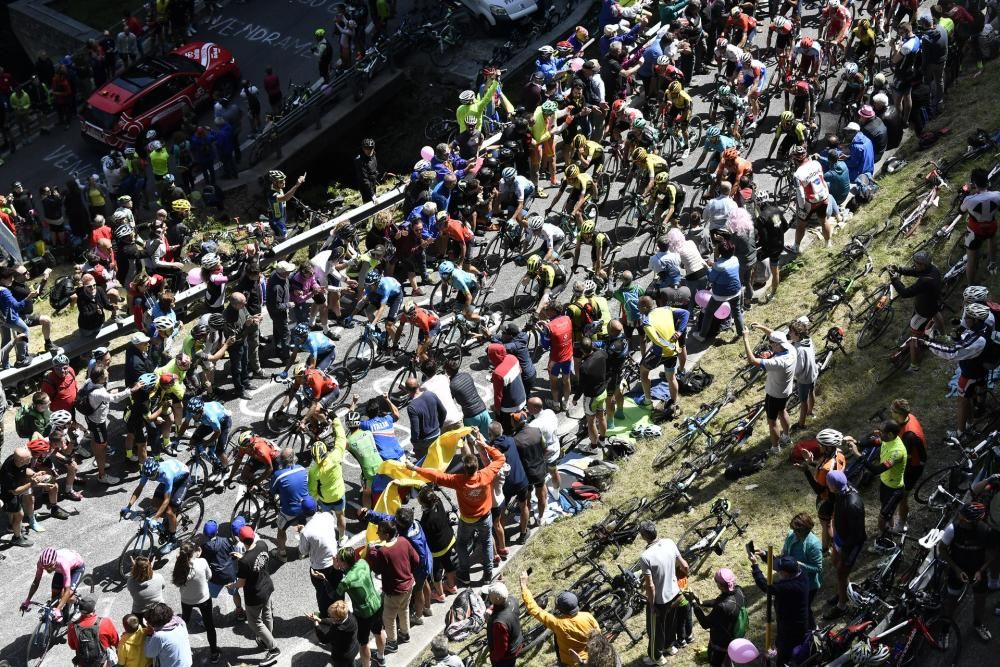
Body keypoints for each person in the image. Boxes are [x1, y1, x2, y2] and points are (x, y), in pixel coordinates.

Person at [407, 429, 506, 585]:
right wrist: (484, 445)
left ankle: (465, 575)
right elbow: (500, 458)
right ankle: (487, 575)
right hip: (485, 516)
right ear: (476, 466)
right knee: (487, 542)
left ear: (464, 468)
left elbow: (436, 475)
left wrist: (415, 468)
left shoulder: (457, 480)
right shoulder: (486, 475)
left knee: (461, 545)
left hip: (467, 519)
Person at [940, 501, 997, 641]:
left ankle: (978, 624)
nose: (961, 521)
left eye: (966, 520)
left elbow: (992, 554)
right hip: (957, 571)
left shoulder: (987, 532)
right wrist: (956, 569)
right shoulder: (952, 529)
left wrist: (981, 571)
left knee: (980, 600)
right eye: (962, 517)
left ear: (978, 520)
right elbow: (942, 549)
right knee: (951, 601)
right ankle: (945, 630)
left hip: (977, 572)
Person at [520, 570, 600, 666]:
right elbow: (598, 633)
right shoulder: (588, 616)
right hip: (588, 660)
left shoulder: (558, 624)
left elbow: (534, 609)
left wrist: (524, 586)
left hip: (569, 662)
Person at [637, 520, 688, 665]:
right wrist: (683, 581)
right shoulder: (669, 542)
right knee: (670, 623)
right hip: (676, 594)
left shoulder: (645, 557)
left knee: (655, 631)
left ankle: (656, 657)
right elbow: (684, 565)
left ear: (643, 536)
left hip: (660, 601)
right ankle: (669, 647)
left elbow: (650, 586)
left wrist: (652, 605)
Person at [849, 419, 906, 546]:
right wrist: (857, 442)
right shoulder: (888, 439)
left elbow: (876, 470)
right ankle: (889, 530)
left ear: (890, 434)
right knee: (886, 513)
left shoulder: (897, 453)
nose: (878, 433)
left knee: (881, 519)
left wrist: (858, 455)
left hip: (894, 490)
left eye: (882, 432)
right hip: (885, 484)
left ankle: (884, 540)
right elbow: (874, 442)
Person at [366, 519, 420, 654]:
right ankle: (405, 634)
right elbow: (416, 560)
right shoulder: (403, 541)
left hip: (394, 591)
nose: (377, 533)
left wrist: (372, 552)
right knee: (404, 609)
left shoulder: (384, 552)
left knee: (388, 618)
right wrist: (406, 573)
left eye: (379, 531)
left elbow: (377, 569)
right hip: (409, 584)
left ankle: (392, 643)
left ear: (387, 534)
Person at [230, 526, 280, 665]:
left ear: (240, 540)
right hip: (267, 586)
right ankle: (266, 640)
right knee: (267, 614)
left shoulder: (244, 562)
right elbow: (256, 560)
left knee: (254, 622)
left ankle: (273, 648)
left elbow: (240, 583)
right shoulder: (262, 544)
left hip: (254, 594)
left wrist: (232, 586)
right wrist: (243, 557)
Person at [748, 554, 810, 665]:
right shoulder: (801, 573)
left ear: (785, 573)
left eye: (780, 571)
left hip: (792, 626)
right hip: (793, 620)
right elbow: (780, 564)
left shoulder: (788, 587)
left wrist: (755, 566)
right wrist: (765, 555)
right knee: (782, 642)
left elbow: (765, 586)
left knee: (786, 652)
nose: (778, 572)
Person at [742, 327, 796, 451]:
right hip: (786, 390)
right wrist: (761, 326)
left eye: (771, 343)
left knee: (772, 422)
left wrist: (746, 338)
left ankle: (775, 448)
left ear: (777, 345)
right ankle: (787, 436)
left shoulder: (778, 362)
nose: (770, 345)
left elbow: (752, 360)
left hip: (774, 394)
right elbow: (774, 335)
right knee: (782, 411)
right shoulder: (791, 349)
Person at [888, 251, 942, 370]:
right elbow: (916, 272)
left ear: (923, 264)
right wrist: (899, 269)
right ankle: (944, 336)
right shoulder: (933, 269)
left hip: (923, 311)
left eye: (916, 263)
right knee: (936, 313)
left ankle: (914, 365)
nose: (914, 265)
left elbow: (905, 293)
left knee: (914, 338)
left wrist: (894, 279)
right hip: (934, 303)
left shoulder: (925, 281)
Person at [824, 470, 867, 620]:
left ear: (834, 485)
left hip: (851, 544)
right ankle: (844, 591)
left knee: (841, 572)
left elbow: (856, 535)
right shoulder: (841, 491)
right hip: (840, 538)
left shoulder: (853, 504)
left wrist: (845, 553)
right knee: (836, 564)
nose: (826, 484)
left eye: (828, 482)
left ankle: (842, 606)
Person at [335, 546, 386, 667]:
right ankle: (381, 657)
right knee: (379, 631)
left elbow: (336, 594)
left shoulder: (346, 581)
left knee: (363, 643)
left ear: (344, 562)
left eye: (338, 560)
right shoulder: (363, 563)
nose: (336, 562)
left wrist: (325, 580)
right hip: (377, 603)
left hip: (363, 613)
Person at [123, 457, 191, 547]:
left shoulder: (166, 475)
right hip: (171, 475)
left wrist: (155, 518)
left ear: (157, 470)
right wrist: (128, 506)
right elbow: (139, 488)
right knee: (155, 504)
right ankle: (167, 523)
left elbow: (166, 500)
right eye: (148, 476)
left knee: (170, 512)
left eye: (152, 476)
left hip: (182, 479)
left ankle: (172, 538)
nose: (150, 478)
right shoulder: (147, 472)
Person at [171, 541, 220, 662]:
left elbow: (178, 582)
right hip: (203, 598)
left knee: (185, 621)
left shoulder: (179, 565)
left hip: (186, 599)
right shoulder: (202, 562)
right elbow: (209, 576)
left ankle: (178, 646)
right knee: (209, 625)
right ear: (193, 552)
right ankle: (214, 652)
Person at [294, 496, 341, 617]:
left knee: (322, 595)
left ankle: (325, 617)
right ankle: (340, 613)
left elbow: (303, 551)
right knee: (338, 590)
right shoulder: (327, 516)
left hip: (319, 568)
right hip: (336, 562)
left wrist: (301, 533)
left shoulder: (306, 531)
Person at [688, 569, 746, 667]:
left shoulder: (722, 607)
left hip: (720, 644)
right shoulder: (739, 591)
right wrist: (701, 602)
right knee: (728, 661)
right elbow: (720, 600)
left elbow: (705, 623)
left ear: (720, 585)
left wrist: (694, 603)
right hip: (733, 637)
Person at [780, 513, 824, 628]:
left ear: (806, 530)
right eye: (793, 530)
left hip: (808, 584)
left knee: (804, 608)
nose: (794, 533)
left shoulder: (814, 544)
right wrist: (766, 556)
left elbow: (818, 568)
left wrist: (800, 565)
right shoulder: (791, 535)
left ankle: (813, 630)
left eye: (797, 531)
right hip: (793, 580)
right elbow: (784, 553)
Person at [22, 547, 86, 622]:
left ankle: (78, 602)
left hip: (76, 568)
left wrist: (58, 609)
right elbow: (36, 581)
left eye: (49, 566)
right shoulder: (41, 563)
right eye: (45, 567)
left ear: (55, 561)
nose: (48, 569)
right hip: (59, 569)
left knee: (64, 594)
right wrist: (27, 599)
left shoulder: (64, 564)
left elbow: (67, 590)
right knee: (54, 596)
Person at [199, 520, 245, 622]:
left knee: (208, 597)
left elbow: (204, 562)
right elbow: (233, 554)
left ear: (204, 533)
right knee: (235, 593)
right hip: (230, 574)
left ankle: (206, 619)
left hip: (215, 577)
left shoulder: (205, 547)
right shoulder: (226, 540)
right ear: (217, 532)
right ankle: (240, 611)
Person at [891, 398, 926, 532]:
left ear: (898, 414)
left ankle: (902, 523)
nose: (891, 413)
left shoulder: (909, 435)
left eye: (892, 411)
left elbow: (906, 458)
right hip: (913, 461)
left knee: (902, 496)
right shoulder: (909, 417)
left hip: (912, 467)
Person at [959, 168, 1000, 282]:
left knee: (971, 259)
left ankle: (970, 287)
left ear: (974, 184)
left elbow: (960, 211)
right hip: (991, 226)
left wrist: (965, 193)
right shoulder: (997, 195)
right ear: (987, 181)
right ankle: (993, 264)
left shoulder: (969, 200)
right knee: (992, 240)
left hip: (975, 231)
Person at [270, 447, 310, 561]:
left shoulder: (278, 475)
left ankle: (282, 554)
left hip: (289, 510)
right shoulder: (302, 469)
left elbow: (272, 491)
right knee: (304, 529)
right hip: (305, 507)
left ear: (281, 461)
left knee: (281, 531)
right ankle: (303, 552)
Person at [573, 337, 609, 447]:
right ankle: (602, 440)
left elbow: (581, 386)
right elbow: (596, 350)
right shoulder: (602, 353)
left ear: (582, 351)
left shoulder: (584, 367)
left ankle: (593, 447)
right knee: (601, 417)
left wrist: (575, 398)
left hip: (591, 398)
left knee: (591, 422)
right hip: (603, 392)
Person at [68, 595, 119, 667]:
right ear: (94, 608)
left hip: (84, 663)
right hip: (103, 663)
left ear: (80, 610)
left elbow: (72, 646)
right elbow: (115, 642)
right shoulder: (105, 622)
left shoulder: (72, 626)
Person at [142, 602, 194, 667]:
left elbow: (149, 653)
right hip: (187, 663)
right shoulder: (179, 621)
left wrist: (149, 636)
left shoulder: (159, 636)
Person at [310, 600, 360, 667]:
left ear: (337, 619)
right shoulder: (350, 615)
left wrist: (316, 624)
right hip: (354, 648)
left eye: (331, 616)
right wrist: (320, 620)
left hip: (342, 657)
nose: (329, 616)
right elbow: (334, 621)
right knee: (351, 663)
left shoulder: (338, 630)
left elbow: (324, 639)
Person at [486, 581, 523, 667]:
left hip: (507, 657)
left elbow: (501, 650)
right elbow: (502, 605)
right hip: (517, 640)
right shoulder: (513, 600)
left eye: (489, 594)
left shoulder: (499, 624)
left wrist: (493, 658)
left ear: (497, 599)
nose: (488, 596)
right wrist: (491, 609)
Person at [126, 556, 165, 622]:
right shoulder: (159, 577)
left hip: (140, 611)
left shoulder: (131, 581)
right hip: (159, 608)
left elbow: (131, 590)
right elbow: (163, 586)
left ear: (135, 569)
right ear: (149, 567)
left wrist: (135, 568)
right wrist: (149, 568)